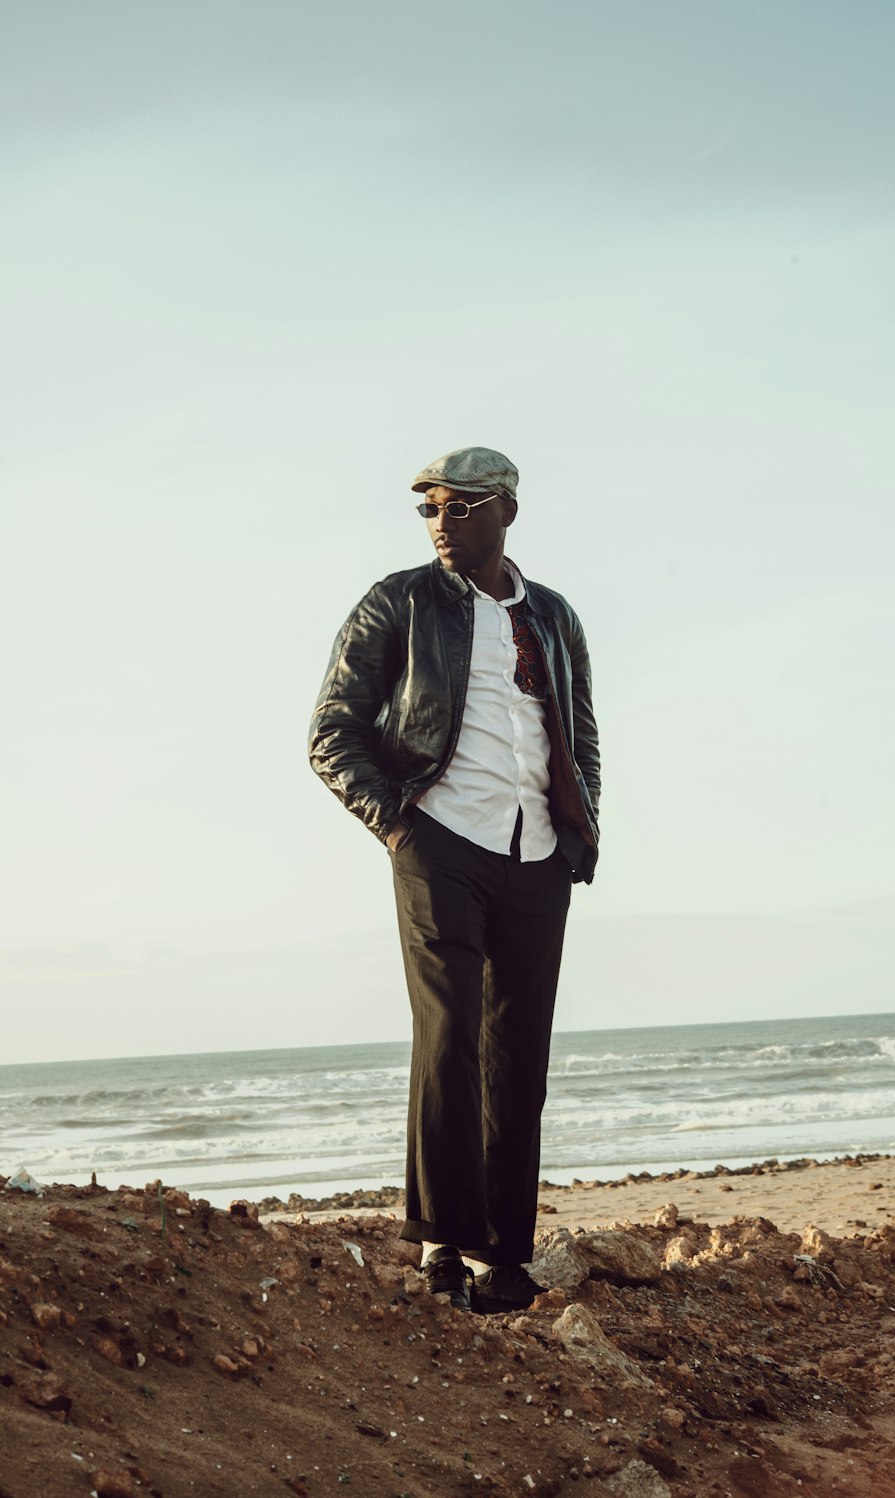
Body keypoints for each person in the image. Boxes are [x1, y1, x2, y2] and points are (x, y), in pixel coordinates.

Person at [309, 445, 600, 1312]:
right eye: (430, 509)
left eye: (461, 507)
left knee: (519, 1057)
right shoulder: (398, 602)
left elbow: (579, 734)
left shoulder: (552, 616)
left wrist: (586, 828)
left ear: (507, 510)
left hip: (539, 852)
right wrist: (396, 822)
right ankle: (442, 1241)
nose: (442, 523)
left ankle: (501, 1256)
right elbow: (333, 731)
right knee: (448, 1040)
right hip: (439, 841)